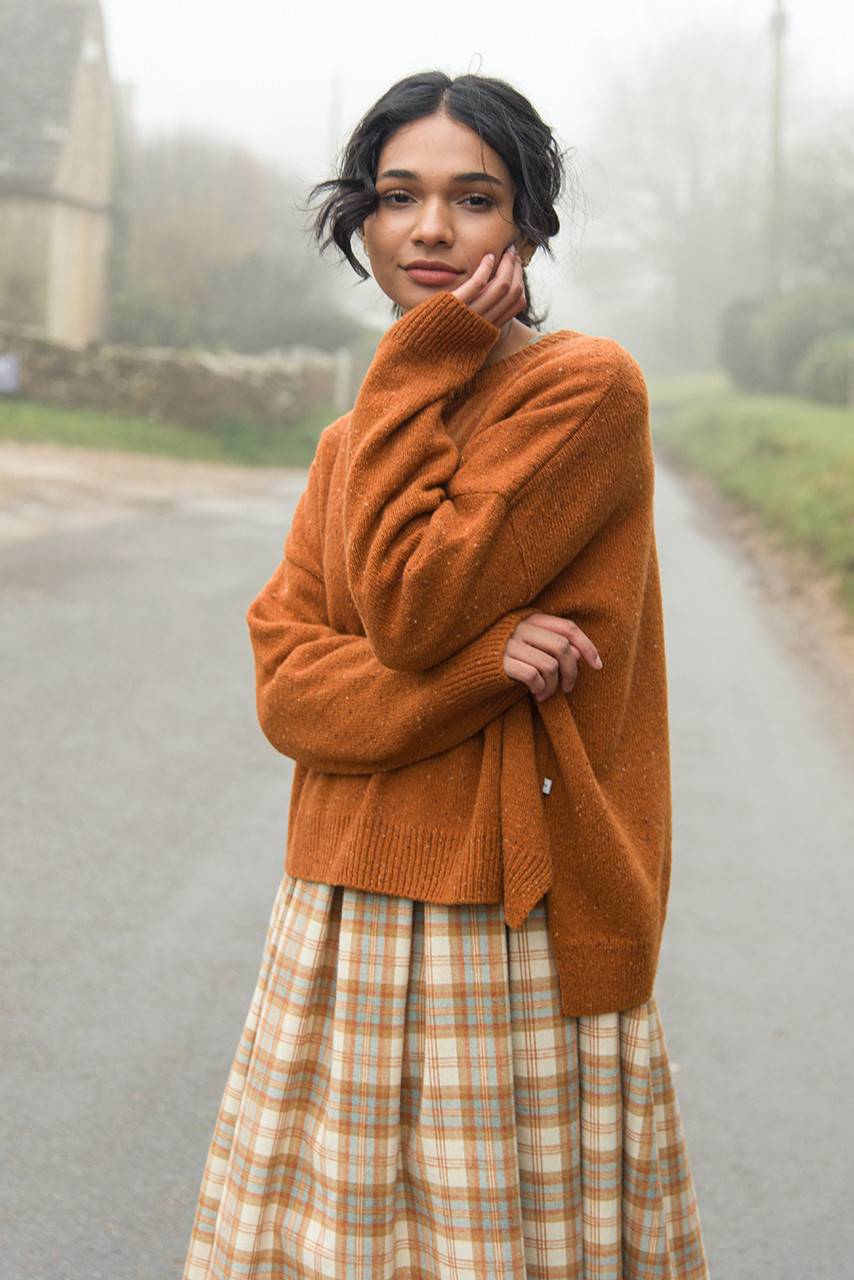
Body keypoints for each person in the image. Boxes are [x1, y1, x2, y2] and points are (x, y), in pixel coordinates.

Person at [183, 71, 709, 1280]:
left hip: (506, 906)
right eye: (397, 197)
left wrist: (422, 358)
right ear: (360, 223)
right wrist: (485, 665)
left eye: (472, 198)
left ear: (524, 222)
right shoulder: (351, 441)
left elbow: (412, 607)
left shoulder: (582, 391)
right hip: (340, 904)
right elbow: (290, 686)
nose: (431, 229)